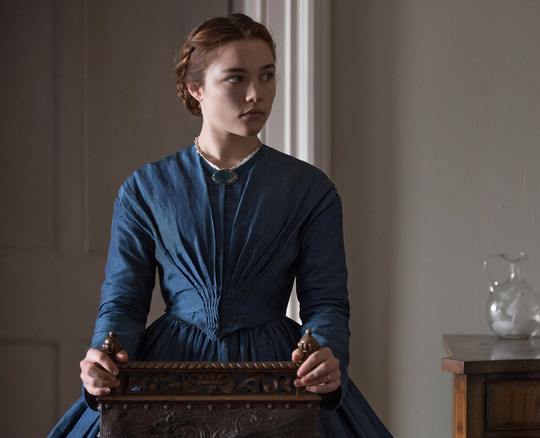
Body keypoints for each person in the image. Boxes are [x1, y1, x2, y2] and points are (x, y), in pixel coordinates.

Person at [49, 13, 391, 437]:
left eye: (267, 77)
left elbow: (326, 304)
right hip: (167, 372)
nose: (256, 94)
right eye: (236, 79)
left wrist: (325, 351)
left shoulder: (310, 189)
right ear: (196, 89)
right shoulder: (145, 189)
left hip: (279, 372)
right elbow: (123, 303)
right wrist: (104, 358)